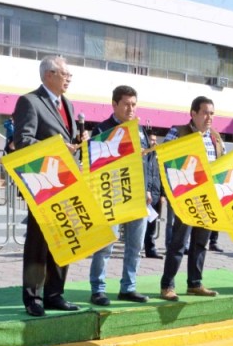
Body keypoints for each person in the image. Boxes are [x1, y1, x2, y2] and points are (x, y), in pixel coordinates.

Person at [12, 55, 80, 316]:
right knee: (38, 243)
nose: (69, 78)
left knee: (64, 238)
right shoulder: (29, 102)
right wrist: (55, 147)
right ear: (49, 75)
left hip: (65, 183)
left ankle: (55, 293)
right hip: (42, 183)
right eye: (65, 74)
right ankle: (33, 298)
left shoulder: (69, 105)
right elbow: (23, 141)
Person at [88, 85, 155, 306]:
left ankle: (129, 287)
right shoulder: (101, 130)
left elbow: (145, 162)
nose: (131, 108)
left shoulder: (139, 130)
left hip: (137, 197)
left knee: (135, 246)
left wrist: (147, 189)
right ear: (114, 104)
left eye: (134, 104)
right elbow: (95, 166)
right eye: (126, 104)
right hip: (112, 197)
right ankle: (98, 289)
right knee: (105, 246)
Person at [159, 95, 224, 300]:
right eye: (205, 112)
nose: (209, 117)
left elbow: (221, 166)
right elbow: (164, 161)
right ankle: (167, 285)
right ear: (193, 113)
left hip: (207, 199)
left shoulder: (215, 137)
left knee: (201, 242)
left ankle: (194, 283)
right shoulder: (177, 132)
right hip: (184, 197)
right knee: (179, 242)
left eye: (212, 113)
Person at [143, 132, 163, 259]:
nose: (153, 142)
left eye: (155, 140)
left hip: (156, 194)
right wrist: (147, 190)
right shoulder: (144, 155)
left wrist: (163, 195)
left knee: (152, 224)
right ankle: (139, 249)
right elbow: (146, 175)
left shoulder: (157, 156)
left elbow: (162, 176)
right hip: (146, 195)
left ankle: (150, 249)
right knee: (141, 224)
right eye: (151, 139)